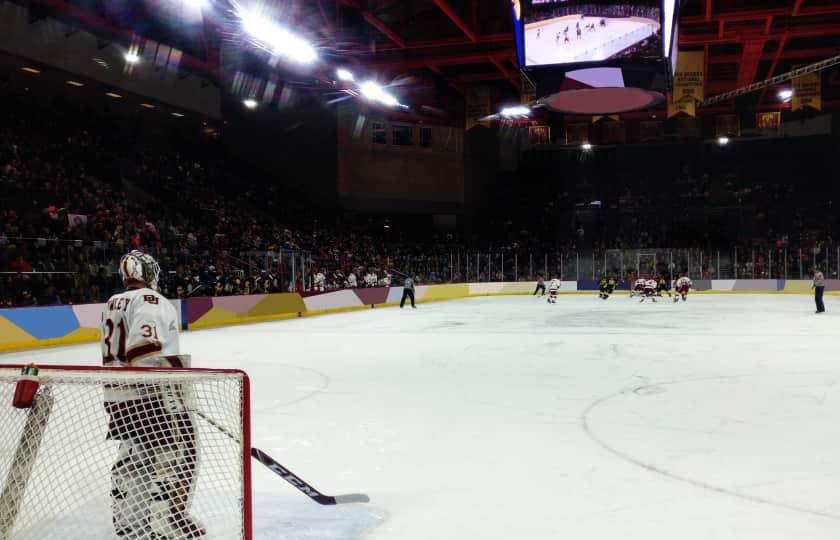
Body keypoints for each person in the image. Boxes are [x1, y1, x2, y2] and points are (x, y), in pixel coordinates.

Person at [100, 250, 204, 538]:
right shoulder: (152, 300)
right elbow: (143, 350)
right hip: (154, 395)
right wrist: (167, 380)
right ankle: (164, 525)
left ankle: (129, 524)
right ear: (147, 273)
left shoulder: (113, 301)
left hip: (117, 396)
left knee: (134, 459)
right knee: (175, 457)